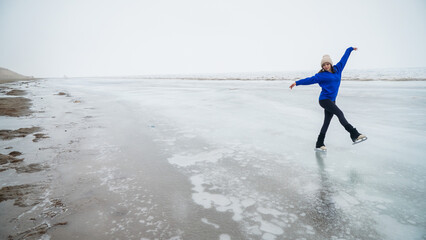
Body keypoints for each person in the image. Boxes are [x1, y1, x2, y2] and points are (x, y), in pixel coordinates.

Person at [289, 47, 367, 151]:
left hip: (332, 101)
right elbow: (309, 80)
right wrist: (296, 83)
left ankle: (319, 143)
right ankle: (354, 134)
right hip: (324, 100)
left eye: (327, 64)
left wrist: (350, 49)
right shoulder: (321, 75)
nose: (326, 66)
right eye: (324, 65)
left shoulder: (338, 69)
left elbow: (344, 59)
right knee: (339, 113)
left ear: (330, 64)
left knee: (326, 123)